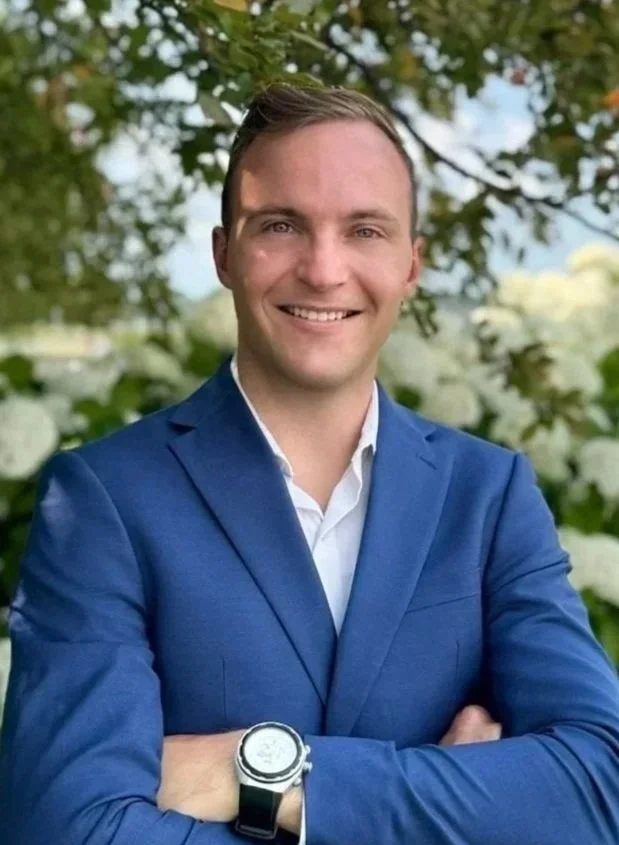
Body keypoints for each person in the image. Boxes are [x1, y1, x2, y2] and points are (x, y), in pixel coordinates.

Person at [1, 82, 618, 845]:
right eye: (281, 225)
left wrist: (253, 772)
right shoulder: (104, 500)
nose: (323, 270)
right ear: (224, 253)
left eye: (364, 230)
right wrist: (452, 809)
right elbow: (70, 830)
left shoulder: (486, 496)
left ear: (410, 265)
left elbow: (598, 787)